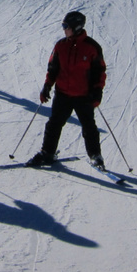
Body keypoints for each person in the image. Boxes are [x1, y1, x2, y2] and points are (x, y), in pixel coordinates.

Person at [26, 11, 107, 168]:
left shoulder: (92, 47)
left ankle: (95, 155)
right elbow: (53, 68)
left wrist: (98, 92)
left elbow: (100, 71)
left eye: (66, 26)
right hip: (63, 94)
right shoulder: (61, 45)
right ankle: (47, 152)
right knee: (54, 124)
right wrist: (47, 86)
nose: (64, 29)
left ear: (76, 27)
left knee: (89, 126)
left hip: (84, 95)